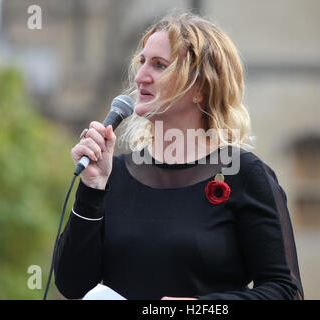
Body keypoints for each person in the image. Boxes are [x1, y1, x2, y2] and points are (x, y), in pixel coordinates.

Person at [54, 11, 304, 300]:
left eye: (159, 65)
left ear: (200, 86)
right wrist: (92, 188)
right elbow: (72, 285)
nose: (140, 76)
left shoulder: (245, 174)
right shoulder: (114, 175)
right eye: (142, 62)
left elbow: (286, 292)